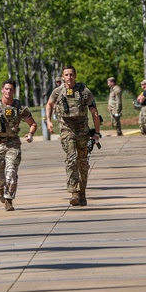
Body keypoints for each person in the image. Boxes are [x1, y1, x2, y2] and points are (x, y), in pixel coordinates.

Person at [45, 65, 100, 206]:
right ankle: (74, 192)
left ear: (75, 76)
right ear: (63, 77)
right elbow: (49, 104)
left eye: (71, 75)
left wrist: (97, 133)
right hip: (66, 128)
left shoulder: (84, 91)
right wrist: (49, 121)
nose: (69, 77)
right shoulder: (58, 91)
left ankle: (82, 192)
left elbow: (94, 112)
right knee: (71, 158)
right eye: (66, 75)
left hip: (82, 129)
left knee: (83, 162)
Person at [0, 80, 36, 211]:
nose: (8, 91)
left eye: (11, 89)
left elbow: (33, 124)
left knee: (11, 171)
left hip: (13, 143)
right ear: (2, 90)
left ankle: (8, 199)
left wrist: (30, 134)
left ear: (14, 91)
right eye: (6, 89)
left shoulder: (19, 107)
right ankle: (1, 189)